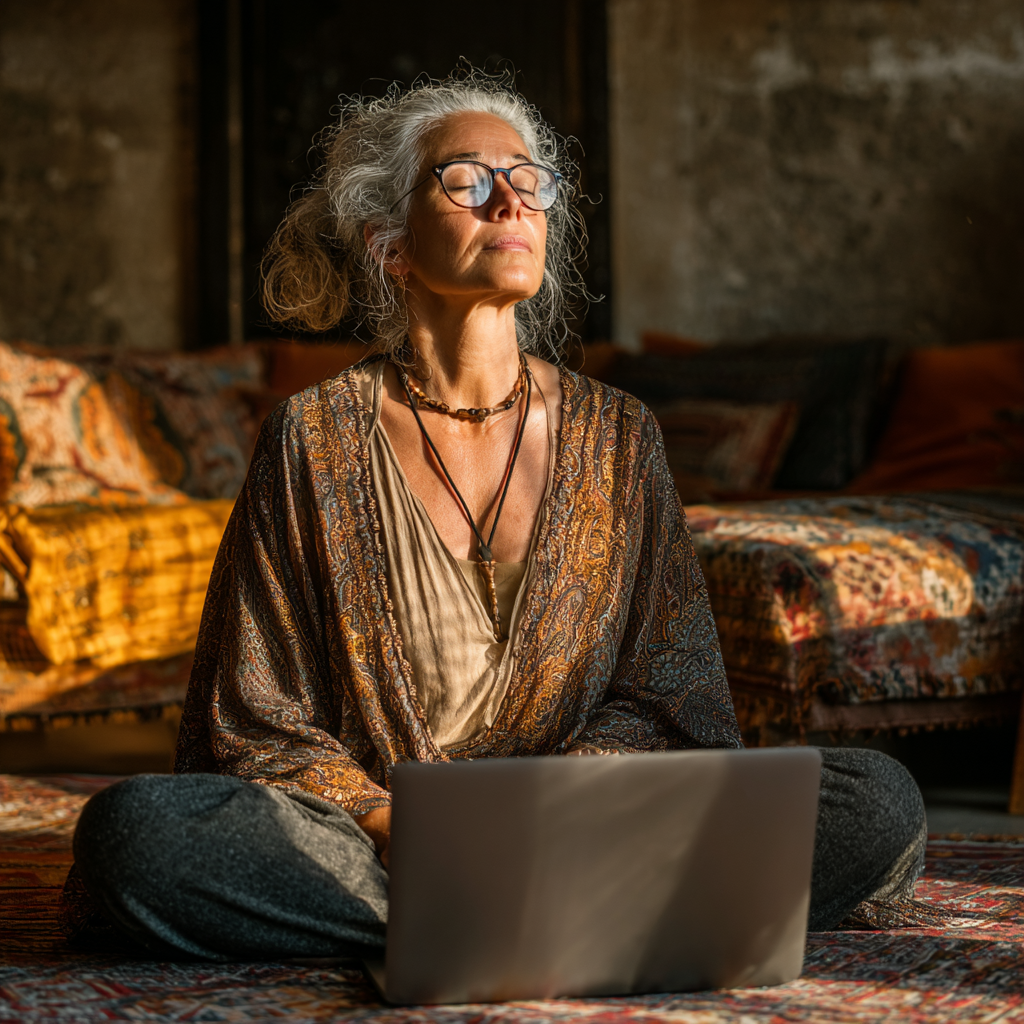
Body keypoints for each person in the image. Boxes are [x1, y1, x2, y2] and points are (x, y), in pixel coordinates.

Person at [67, 70, 930, 961]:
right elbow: (256, 714)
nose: (510, 199)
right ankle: (561, 917)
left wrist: (557, 812)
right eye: (467, 180)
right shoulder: (312, 438)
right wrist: (397, 824)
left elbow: (669, 690)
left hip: (587, 831)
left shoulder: (620, 435)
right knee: (136, 836)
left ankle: (472, 920)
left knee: (875, 802)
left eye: (527, 180)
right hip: (378, 841)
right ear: (392, 246)